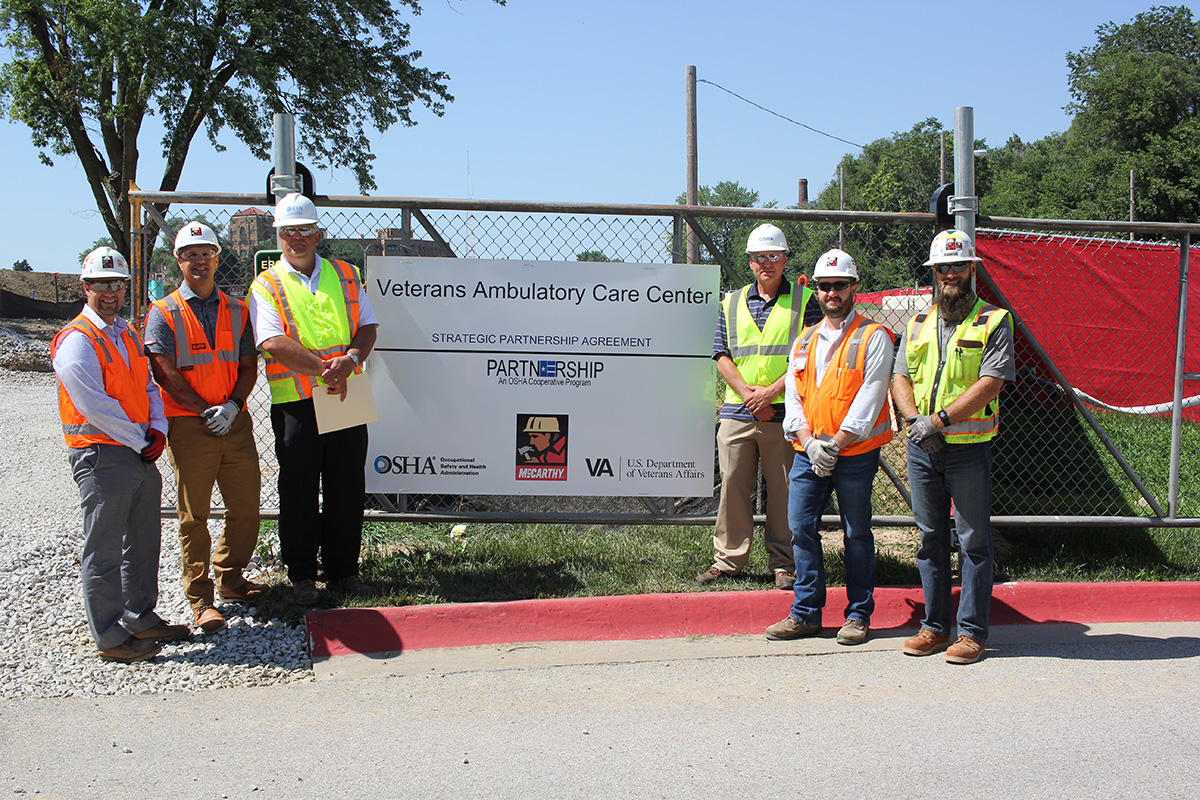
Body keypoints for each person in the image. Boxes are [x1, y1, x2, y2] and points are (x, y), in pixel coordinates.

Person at [51, 247, 190, 662]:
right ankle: (111, 637)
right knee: (106, 547)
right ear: (85, 286)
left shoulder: (126, 331)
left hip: (137, 449)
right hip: (101, 456)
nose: (110, 291)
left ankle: (140, 616)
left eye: (117, 283)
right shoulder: (76, 340)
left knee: (143, 541)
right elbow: (93, 405)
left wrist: (158, 428)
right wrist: (139, 437)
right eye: (101, 283)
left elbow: (148, 386)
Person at [248, 193, 379, 606]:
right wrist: (326, 369)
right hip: (298, 401)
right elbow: (271, 340)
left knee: (347, 486)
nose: (296, 238)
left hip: (346, 394)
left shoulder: (345, 273)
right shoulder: (266, 284)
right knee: (299, 489)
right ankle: (302, 575)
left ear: (318, 233)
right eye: (288, 231)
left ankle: (344, 571)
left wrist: (352, 358)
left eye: (304, 229)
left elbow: (369, 325)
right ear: (278, 236)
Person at [892, 229, 1015, 665]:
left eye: (957, 266)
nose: (949, 274)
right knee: (929, 539)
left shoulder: (994, 320)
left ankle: (972, 633)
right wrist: (914, 422)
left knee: (973, 541)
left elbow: (991, 382)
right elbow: (900, 376)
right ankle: (934, 627)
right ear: (933, 273)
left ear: (971, 270)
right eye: (941, 268)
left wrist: (940, 420)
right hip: (923, 448)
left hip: (967, 447)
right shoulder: (917, 323)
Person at [765, 249, 895, 644]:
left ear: (854, 287)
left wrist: (833, 446)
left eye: (840, 285)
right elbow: (793, 395)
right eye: (825, 286)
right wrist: (807, 441)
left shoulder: (874, 337)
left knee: (856, 532)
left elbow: (869, 399)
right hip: (808, 452)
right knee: (801, 527)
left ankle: (858, 615)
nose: (832, 293)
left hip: (853, 454)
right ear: (815, 290)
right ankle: (805, 613)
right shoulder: (805, 340)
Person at [144, 222, 263, 633]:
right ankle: (200, 599)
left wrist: (231, 406)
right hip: (188, 423)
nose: (199, 260)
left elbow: (248, 363)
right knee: (194, 514)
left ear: (217, 257)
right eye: (190, 254)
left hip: (235, 420)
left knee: (247, 506)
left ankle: (231, 578)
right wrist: (204, 410)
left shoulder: (238, 309)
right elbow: (165, 372)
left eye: (206, 253)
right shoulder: (162, 313)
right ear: (179, 261)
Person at [698, 223, 820, 590]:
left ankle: (784, 563)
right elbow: (719, 354)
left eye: (773, 256)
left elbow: (810, 354)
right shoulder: (731, 302)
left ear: (784, 259)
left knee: (784, 490)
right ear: (749, 262)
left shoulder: (805, 300)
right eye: (759, 257)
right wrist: (751, 396)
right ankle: (728, 560)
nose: (766, 263)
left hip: (785, 412)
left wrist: (769, 394)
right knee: (733, 486)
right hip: (738, 411)